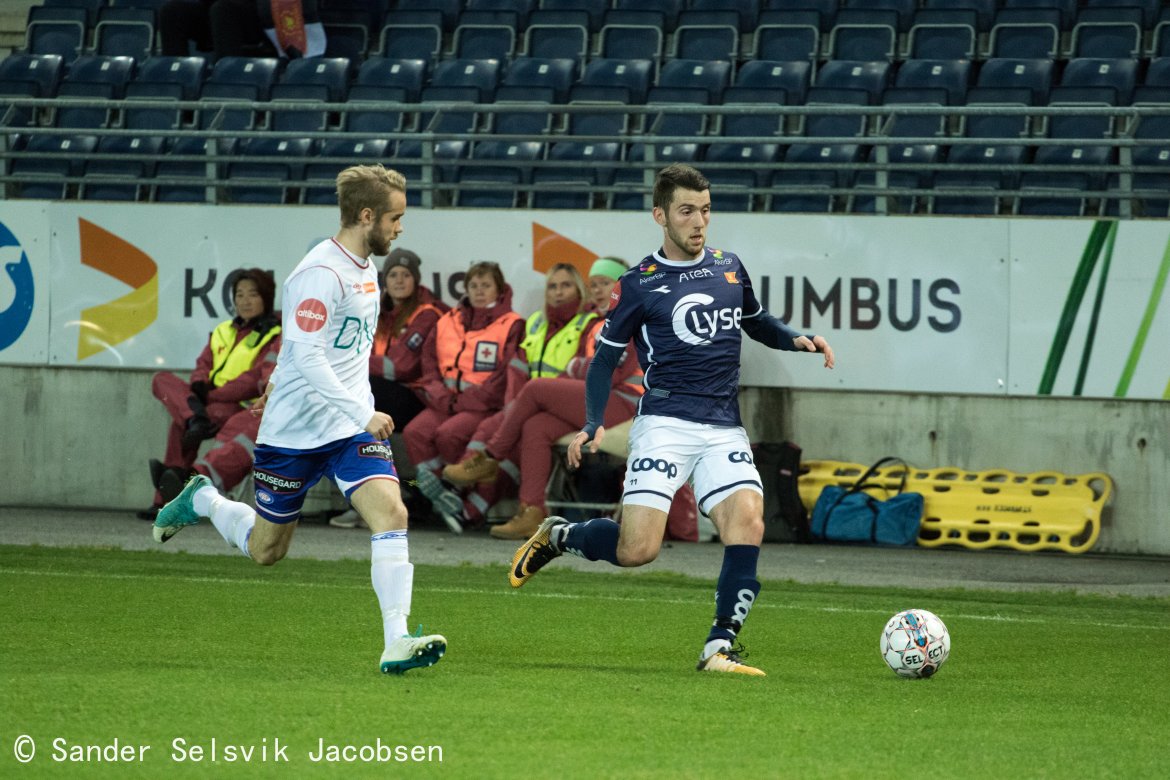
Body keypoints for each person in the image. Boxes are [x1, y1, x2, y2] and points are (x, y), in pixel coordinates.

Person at [508, 164, 836, 676]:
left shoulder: (729, 267)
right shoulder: (638, 284)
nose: (699, 222)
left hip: (722, 424)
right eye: (687, 211)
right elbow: (603, 360)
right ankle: (560, 536)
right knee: (638, 549)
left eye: (705, 210)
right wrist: (594, 421)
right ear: (660, 215)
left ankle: (718, 647)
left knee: (748, 521)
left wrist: (795, 337)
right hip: (663, 423)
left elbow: (756, 321)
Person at [152, 164, 447, 675]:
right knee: (267, 551)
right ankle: (201, 497)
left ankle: (397, 640)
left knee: (392, 515)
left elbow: (318, 350)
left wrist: (345, 407)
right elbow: (309, 356)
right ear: (366, 215)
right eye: (395, 218)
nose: (401, 229)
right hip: (295, 433)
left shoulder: (365, 269)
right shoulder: (320, 273)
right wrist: (364, 409)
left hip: (347, 430)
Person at [441, 257, 635, 540]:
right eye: (593, 284)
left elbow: (607, 372)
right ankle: (531, 512)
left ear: (622, 286)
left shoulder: (628, 316)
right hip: (599, 400)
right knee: (536, 426)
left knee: (535, 389)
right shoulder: (602, 320)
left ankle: (491, 457)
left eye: (606, 283)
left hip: (624, 404)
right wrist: (579, 367)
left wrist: (575, 366)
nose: (598, 290)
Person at [143, 268, 281, 519]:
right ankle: (192, 421)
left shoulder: (274, 335)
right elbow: (203, 364)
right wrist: (197, 386)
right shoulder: (223, 330)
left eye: (252, 294)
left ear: (266, 298)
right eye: (239, 295)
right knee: (162, 380)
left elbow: (251, 381)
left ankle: (175, 489)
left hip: (237, 406)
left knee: (181, 424)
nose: (245, 301)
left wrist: (210, 396)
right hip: (203, 405)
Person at [330, 247, 449, 529]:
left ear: (416, 280)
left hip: (416, 397)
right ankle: (373, 498)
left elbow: (402, 366)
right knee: (353, 411)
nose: (398, 280)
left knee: (359, 398)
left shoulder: (427, 313)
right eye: (393, 274)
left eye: (405, 275)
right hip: (386, 393)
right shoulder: (379, 312)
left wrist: (357, 363)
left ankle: (369, 501)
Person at [402, 262, 524, 531]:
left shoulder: (512, 324)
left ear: (499, 289)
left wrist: (465, 401)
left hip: (482, 406)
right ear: (465, 288)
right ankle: (443, 494)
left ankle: (459, 492)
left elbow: (504, 376)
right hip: (444, 402)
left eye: (486, 285)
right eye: (474, 286)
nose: (479, 291)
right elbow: (429, 365)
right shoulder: (447, 321)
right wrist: (442, 397)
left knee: (448, 433)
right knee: (415, 432)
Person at [160, 0, 325, 60]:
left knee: (223, 9)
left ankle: (225, 79)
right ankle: (176, 80)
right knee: (173, 11)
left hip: (267, 19)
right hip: (221, 16)